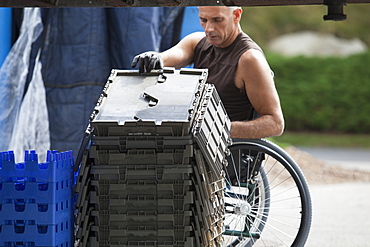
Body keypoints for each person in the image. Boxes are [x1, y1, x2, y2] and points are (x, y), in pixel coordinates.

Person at [131, 6, 284, 139]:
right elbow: (177, 54)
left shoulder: (249, 59)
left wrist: (219, 128)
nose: (209, 28)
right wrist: (157, 58)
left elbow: (275, 123)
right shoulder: (197, 42)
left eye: (217, 20)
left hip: (229, 153)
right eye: (203, 20)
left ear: (236, 15)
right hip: (195, 145)